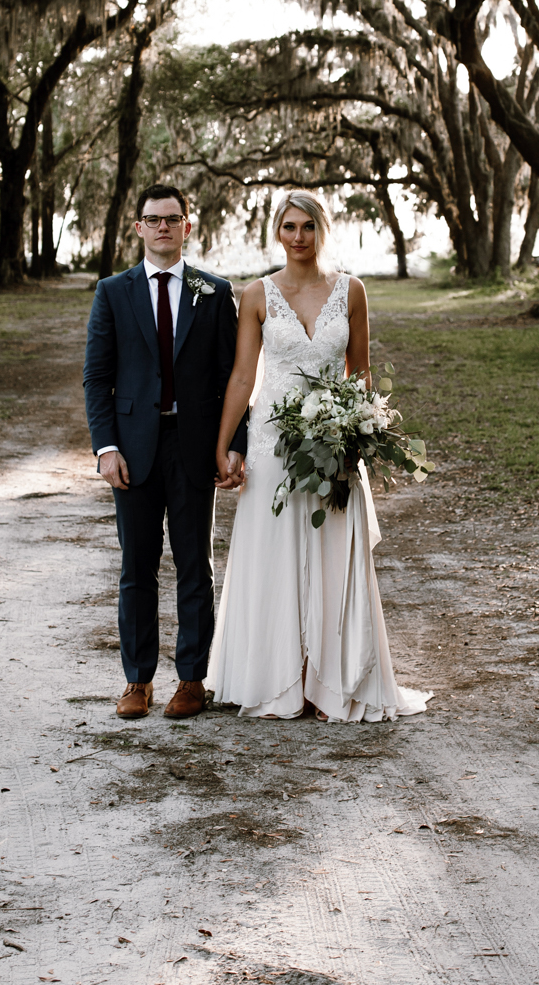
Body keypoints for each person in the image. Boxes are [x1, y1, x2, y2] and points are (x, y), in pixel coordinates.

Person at [206, 189, 427, 722]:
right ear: (277, 233)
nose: (298, 237)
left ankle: (334, 685)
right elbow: (242, 375)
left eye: (307, 227)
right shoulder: (257, 294)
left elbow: (361, 374)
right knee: (273, 553)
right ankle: (279, 681)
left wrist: (360, 432)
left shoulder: (351, 291)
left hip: (335, 442)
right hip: (271, 442)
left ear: (321, 230)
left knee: (333, 553)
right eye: (289, 228)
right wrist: (223, 444)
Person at [83, 184, 247, 720]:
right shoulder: (112, 291)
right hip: (132, 449)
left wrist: (234, 446)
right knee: (137, 565)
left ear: (188, 227)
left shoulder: (214, 292)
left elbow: (234, 378)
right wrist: (106, 448)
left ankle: (192, 679)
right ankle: (137, 680)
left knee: (195, 564)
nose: (162, 228)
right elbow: (97, 377)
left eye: (172, 219)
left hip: (195, 446)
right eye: (152, 219)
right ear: (138, 228)